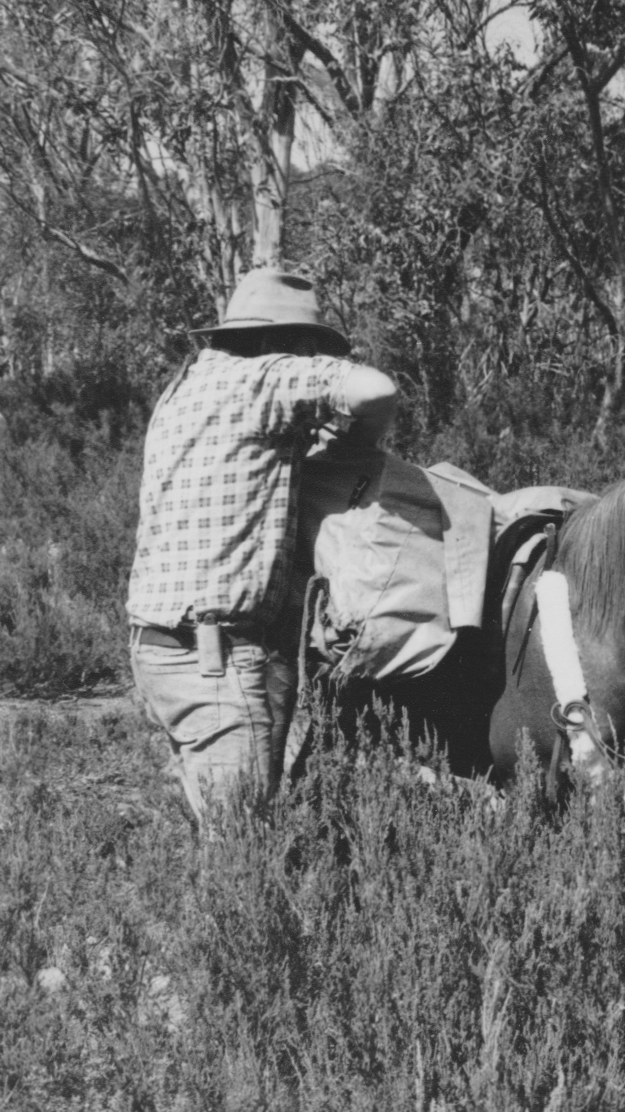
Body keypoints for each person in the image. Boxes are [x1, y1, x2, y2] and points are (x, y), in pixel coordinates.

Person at [128, 268, 398, 830]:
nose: (307, 354)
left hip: (160, 650)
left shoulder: (186, 387)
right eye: (307, 345)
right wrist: (354, 442)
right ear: (286, 344)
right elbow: (377, 389)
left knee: (230, 825)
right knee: (241, 856)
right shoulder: (263, 379)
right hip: (218, 659)